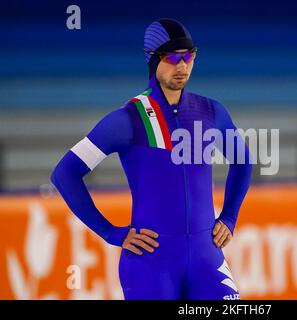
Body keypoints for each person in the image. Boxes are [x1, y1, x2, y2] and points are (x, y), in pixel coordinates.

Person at [50, 18, 253, 300]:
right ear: (152, 59)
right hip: (151, 265)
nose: (182, 66)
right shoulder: (127, 120)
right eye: (173, 58)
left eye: (189, 57)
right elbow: (64, 174)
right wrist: (110, 232)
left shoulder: (211, 111)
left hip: (208, 260)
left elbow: (244, 161)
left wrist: (229, 217)